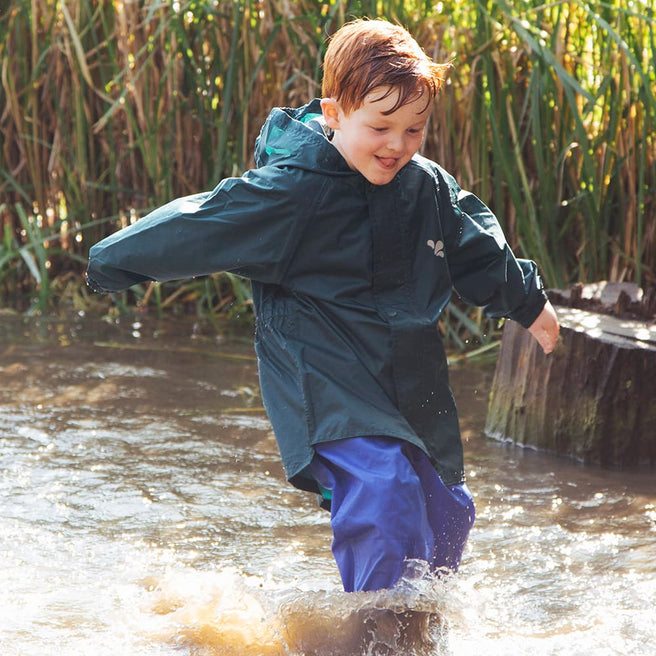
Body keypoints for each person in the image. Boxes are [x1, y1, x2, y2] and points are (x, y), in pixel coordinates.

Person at [86, 19, 560, 594]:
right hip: (322, 376)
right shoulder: (294, 192)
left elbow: (479, 249)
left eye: (415, 129)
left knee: (448, 508)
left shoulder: (426, 187)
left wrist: (529, 304)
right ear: (334, 115)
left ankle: (423, 624)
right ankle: (376, 626)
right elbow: (204, 223)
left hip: (406, 378)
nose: (398, 145)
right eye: (380, 126)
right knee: (383, 489)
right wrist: (110, 261)